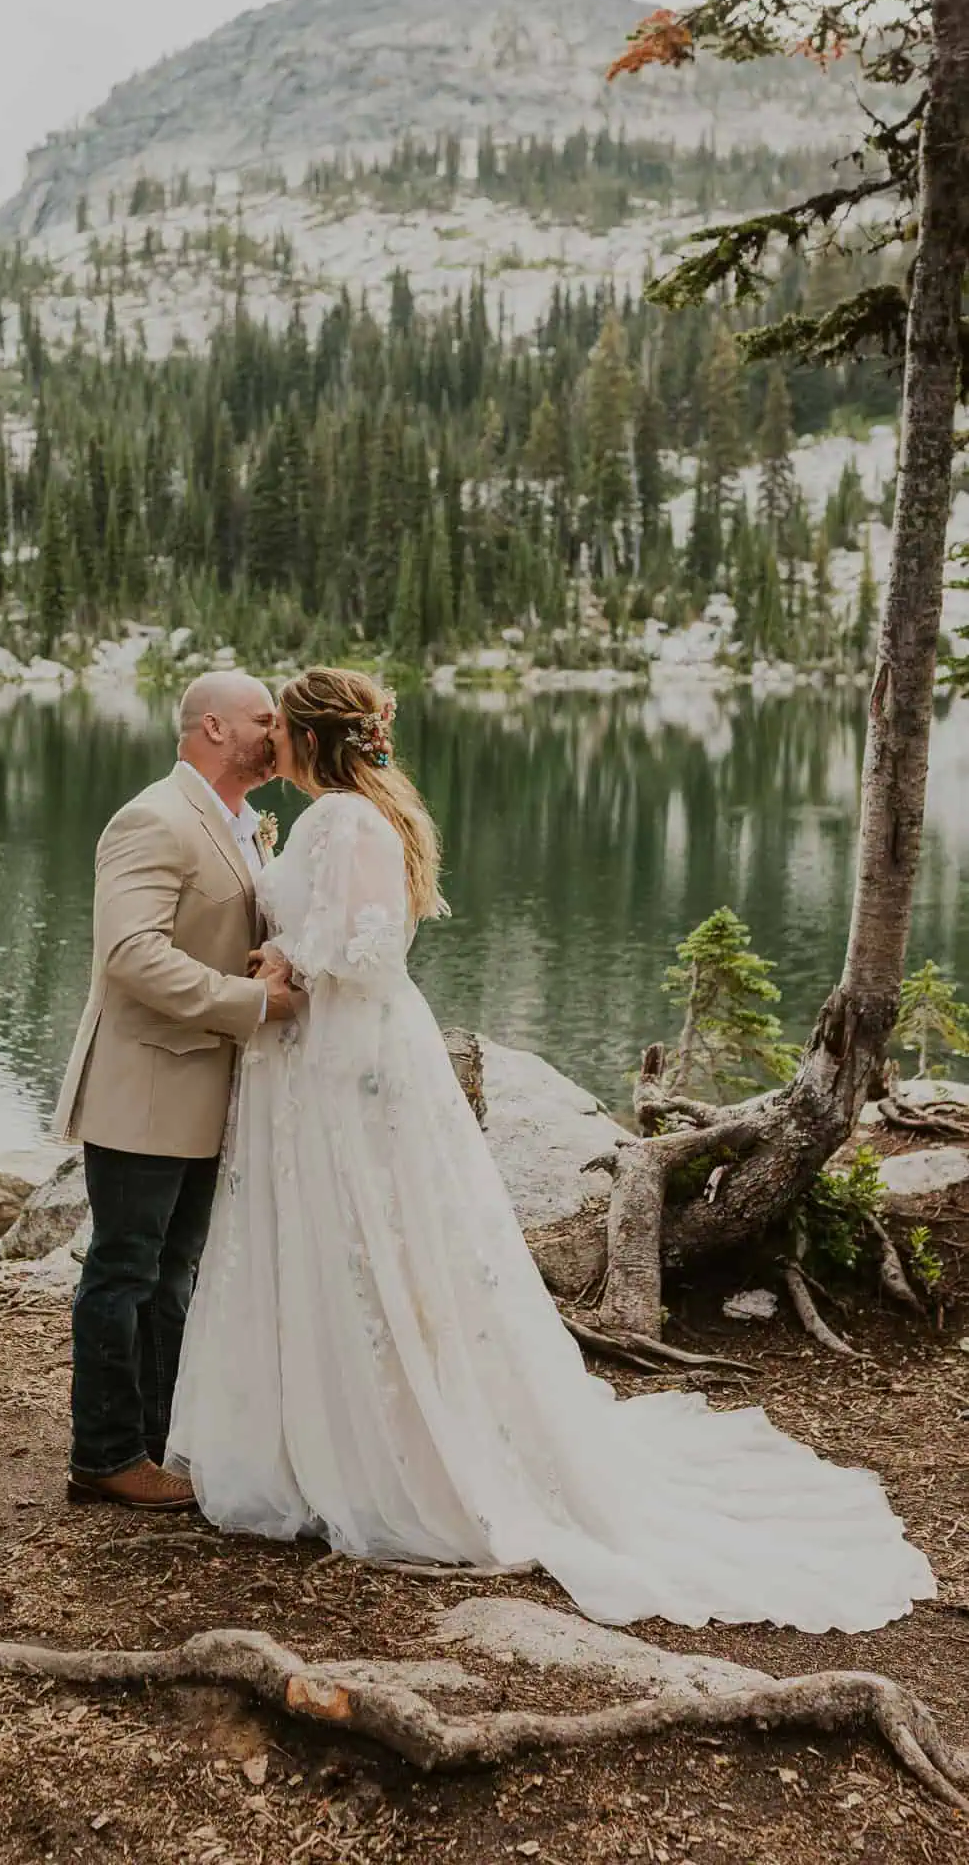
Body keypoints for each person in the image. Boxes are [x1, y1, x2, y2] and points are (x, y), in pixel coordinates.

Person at [166, 666, 937, 1631]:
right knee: (340, 1240)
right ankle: (320, 1430)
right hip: (320, 1057)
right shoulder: (349, 815)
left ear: (311, 738)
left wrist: (288, 957)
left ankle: (380, 1450)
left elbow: (369, 952)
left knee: (360, 1237)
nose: (269, 739)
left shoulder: (346, 819)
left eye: (280, 726)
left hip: (339, 1059)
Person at [55, 670, 304, 1512]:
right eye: (263, 718)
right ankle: (103, 1455)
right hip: (147, 1083)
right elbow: (131, 954)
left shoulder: (242, 823)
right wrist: (251, 1003)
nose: (277, 732)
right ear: (212, 728)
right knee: (124, 1269)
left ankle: (159, 1446)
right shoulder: (153, 819)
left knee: (174, 1274)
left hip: (206, 1085)